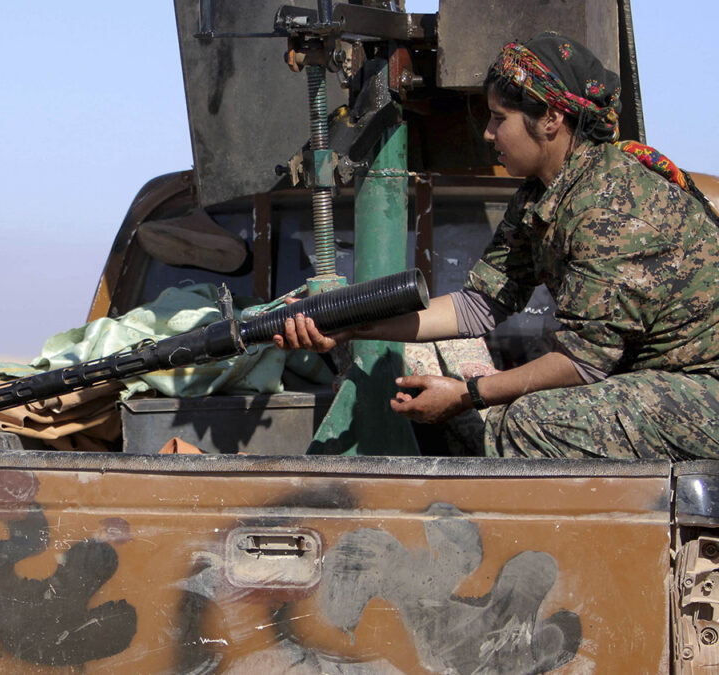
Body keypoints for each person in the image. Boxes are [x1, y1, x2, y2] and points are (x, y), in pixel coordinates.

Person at [277, 32, 719, 460]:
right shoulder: (543, 193)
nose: (488, 134)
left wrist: (467, 396)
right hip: (658, 379)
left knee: (530, 423)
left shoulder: (612, 209)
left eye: (498, 118)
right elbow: (478, 306)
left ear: (550, 119)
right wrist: (351, 328)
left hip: (703, 390)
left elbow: (582, 364)